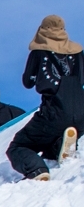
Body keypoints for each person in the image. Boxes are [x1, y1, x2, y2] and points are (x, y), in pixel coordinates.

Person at [7, 16, 84, 181]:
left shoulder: (39, 52)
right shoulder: (78, 51)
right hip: (81, 113)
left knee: (18, 146)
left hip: (53, 113)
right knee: (53, 138)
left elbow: (28, 82)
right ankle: (59, 147)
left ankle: (37, 170)